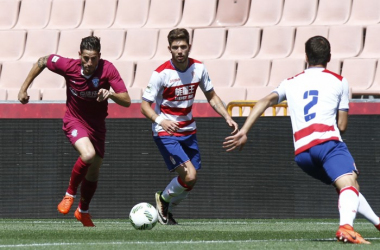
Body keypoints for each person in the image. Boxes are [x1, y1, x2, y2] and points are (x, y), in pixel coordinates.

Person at [223, 36, 380, 244]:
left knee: (349, 188)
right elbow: (342, 126)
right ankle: (346, 228)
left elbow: (264, 101)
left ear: (306, 57)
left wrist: (244, 130)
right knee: (349, 184)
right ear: (330, 57)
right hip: (327, 144)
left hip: (303, 154)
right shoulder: (339, 81)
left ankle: (377, 222)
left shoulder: (290, 82)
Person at [18, 36, 131, 227]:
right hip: (74, 121)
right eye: (86, 58)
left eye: (93, 58)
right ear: (80, 55)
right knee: (88, 155)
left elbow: (127, 100)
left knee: (94, 172)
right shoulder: (68, 66)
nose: (89, 63)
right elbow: (43, 61)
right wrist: (23, 88)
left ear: (99, 56)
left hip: (97, 126)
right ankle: (69, 194)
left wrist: (110, 94)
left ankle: (83, 211)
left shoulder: (108, 69)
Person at [141, 28, 238, 225]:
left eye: (183, 47)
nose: (179, 51)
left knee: (191, 179)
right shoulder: (161, 74)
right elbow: (144, 106)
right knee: (190, 174)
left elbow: (211, 96)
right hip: (165, 132)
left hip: (189, 131)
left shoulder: (199, 69)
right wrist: (161, 121)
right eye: (175, 47)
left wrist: (227, 116)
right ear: (169, 48)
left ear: (189, 47)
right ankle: (164, 200)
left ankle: (165, 203)